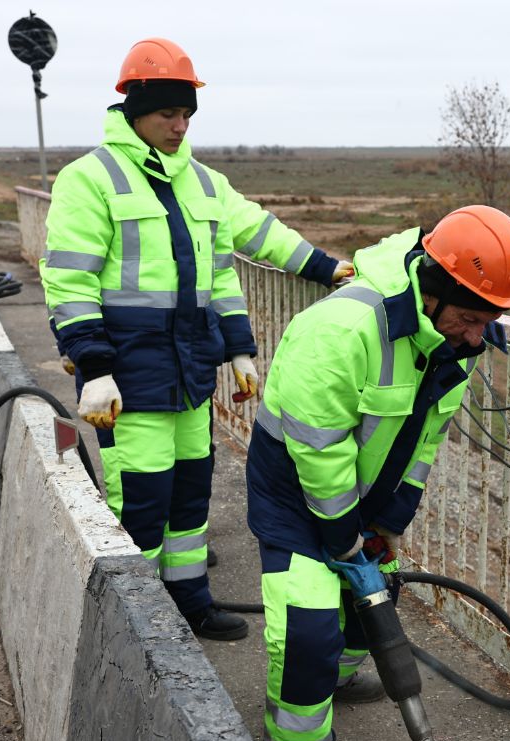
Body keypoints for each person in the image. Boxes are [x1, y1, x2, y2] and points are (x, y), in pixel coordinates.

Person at [41, 37, 351, 642]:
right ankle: (135, 626)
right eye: (168, 114)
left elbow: (245, 247)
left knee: (189, 497)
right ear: (135, 110)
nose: (180, 126)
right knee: (141, 502)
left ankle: (188, 603)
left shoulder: (202, 183)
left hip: (189, 371)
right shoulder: (89, 179)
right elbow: (69, 281)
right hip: (129, 375)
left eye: (187, 114)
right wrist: (93, 366)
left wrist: (319, 273)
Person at [245, 204, 510, 741]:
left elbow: (426, 438)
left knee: (375, 597)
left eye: (488, 322)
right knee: (308, 628)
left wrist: (390, 519)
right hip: (294, 491)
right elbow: (319, 452)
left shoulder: (457, 343)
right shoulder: (341, 331)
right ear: (432, 287)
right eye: (469, 319)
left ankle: (339, 679)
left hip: (364, 492)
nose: (476, 337)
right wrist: (343, 539)